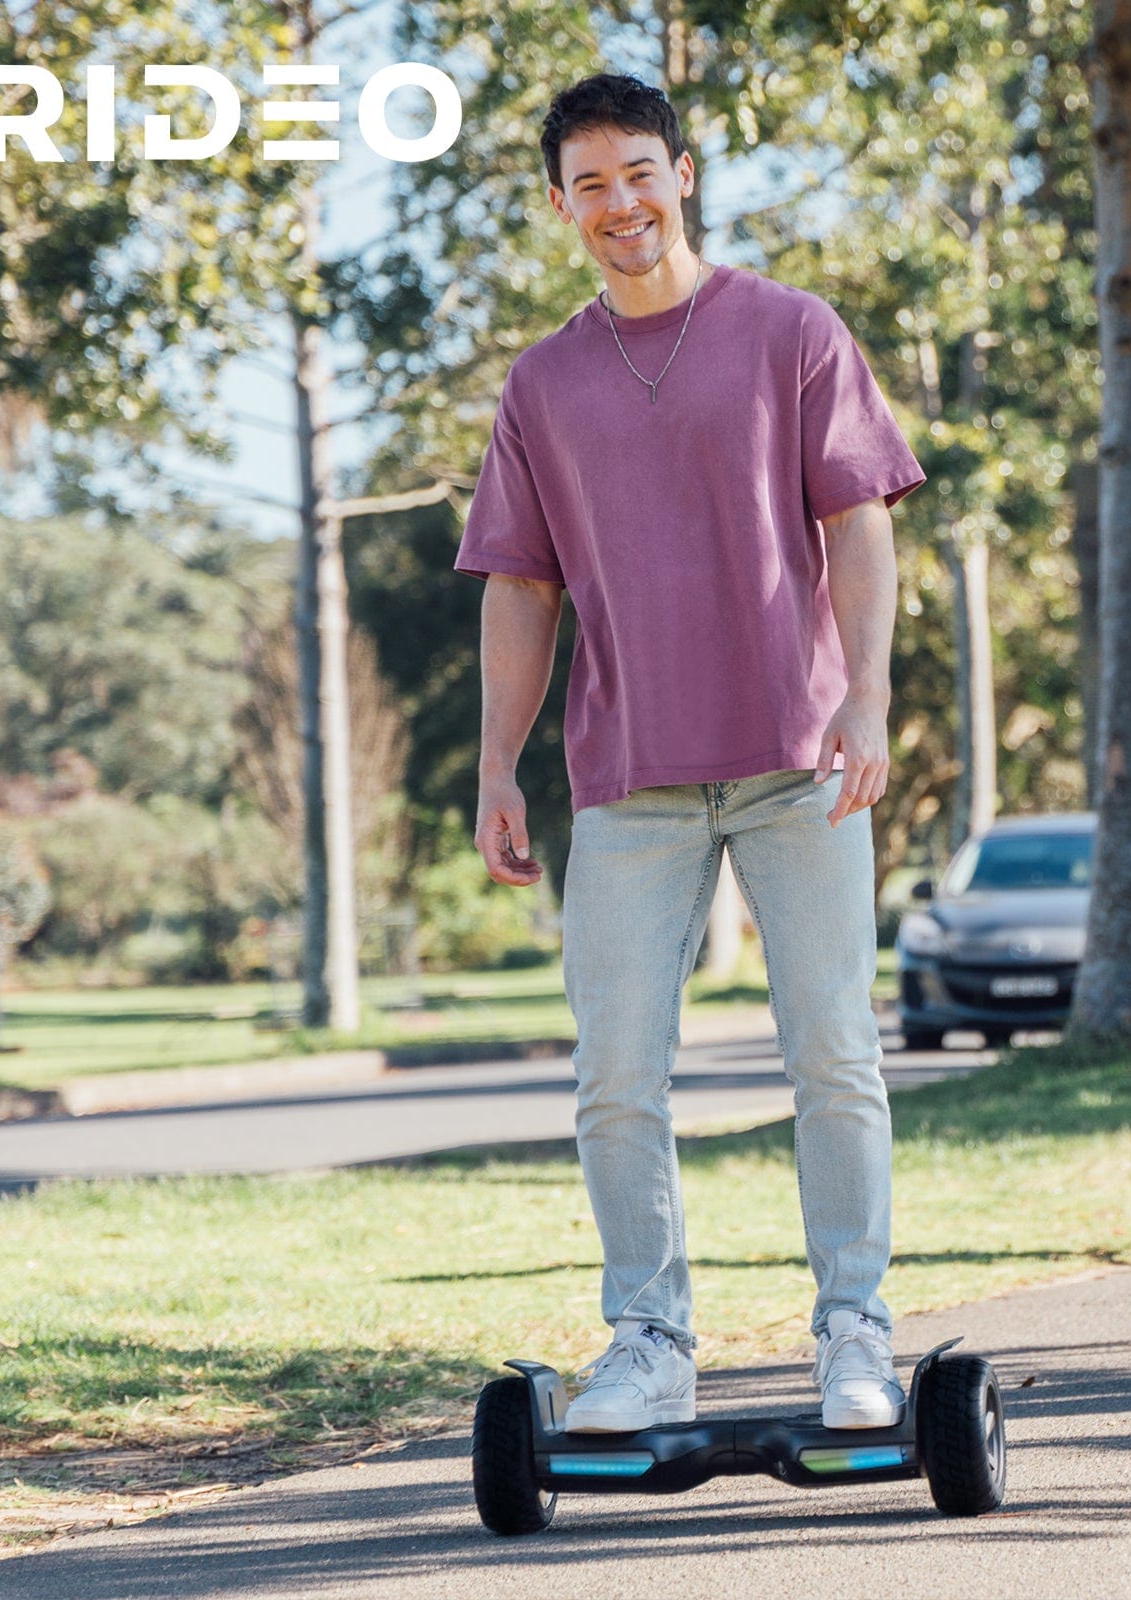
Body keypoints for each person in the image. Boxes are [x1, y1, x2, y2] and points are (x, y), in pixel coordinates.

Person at [456, 73, 926, 1432]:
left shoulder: (789, 330)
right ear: (560, 206)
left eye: (639, 173)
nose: (620, 204)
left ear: (684, 175)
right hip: (629, 778)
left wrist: (869, 694)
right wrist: (499, 763)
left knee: (833, 1050)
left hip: (800, 761)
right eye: (589, 183)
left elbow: (859, 521)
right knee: (615, 1075)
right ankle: (650, 1341)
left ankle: (853, 1334)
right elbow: (520, 587)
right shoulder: (543, 386)